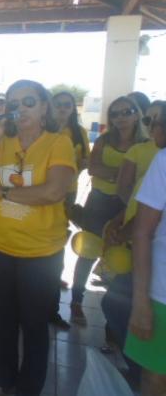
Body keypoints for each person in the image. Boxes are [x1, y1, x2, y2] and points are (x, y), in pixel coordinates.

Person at [0, 80, 75, 396]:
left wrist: (3, 191)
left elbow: (53, 191)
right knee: (4, 318)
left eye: (29, 101)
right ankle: (4, 381)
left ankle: (29, 389)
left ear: (44, 106)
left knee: (34, 323)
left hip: (40, 252)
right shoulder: (1, 143)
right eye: (15, 103)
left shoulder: (59, 143)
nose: (22, 109)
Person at [99, 101, 165, 382]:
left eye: (157, 121)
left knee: (115, 303)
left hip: (150, 264)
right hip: (151, 266)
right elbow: (132, 196)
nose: (154, 127)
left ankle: (135, 367)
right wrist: (122, 221)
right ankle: (136, 366)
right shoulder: (157, 157)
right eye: (151, 122)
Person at [70, 96, 146, 325]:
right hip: (99, 201)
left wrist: (114, 174)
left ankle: (113, 314)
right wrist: (123, 176)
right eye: (115, 113)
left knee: (119, 256)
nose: (121, 117)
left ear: (137, 114)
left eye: (127, 111)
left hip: (126, 205)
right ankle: (76, 300)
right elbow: (93, 168)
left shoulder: (145, 143)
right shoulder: (104, 139)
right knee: (88, 251)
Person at [125, 123, 166, 396]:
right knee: (156, 377)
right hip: (162, 293)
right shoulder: (164, 160)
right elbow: (142, 232)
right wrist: (140, 302)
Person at [49, 91, 90, 329]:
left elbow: (86, 162)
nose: (63, 109)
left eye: (67, 105)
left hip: (67, 193)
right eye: (58, 105)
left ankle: (52, 309)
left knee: (58, 246)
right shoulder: (44, 130)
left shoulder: (79, 133)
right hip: (43, 192)